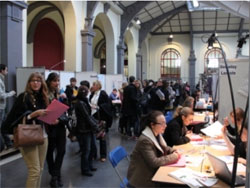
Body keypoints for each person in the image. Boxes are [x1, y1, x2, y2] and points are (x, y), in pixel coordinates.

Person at [2, 72, 49, 187]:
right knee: (34, 171)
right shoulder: (23, 97)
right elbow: (12, 120)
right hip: (28, 135)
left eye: (38, 80)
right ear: (29, 83)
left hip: (43, 136)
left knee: (40, 169)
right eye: (33, 80)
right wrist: (31, 115)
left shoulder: (44, 97)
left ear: (42, 83)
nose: (36, 83)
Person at [127, 111, 179, 187]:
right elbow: (154, 162)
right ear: (152, 125)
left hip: (150, 172)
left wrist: (171, 150)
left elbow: (162, 147)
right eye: (162, 123)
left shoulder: (156, 134)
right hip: (142, 180)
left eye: (165, 123)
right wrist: (174, 156)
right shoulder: (145, 140)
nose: (165, 126)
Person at [46, 72, 68, 188]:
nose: (57, 83)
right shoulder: (45, 94)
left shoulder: (58, 93)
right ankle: (55, 176)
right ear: (49, 81)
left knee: (61, 151)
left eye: (58, 80)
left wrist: (63, 99)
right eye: (54, 80)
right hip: (49, 127)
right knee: (49, 153)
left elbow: (63, 110)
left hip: (60, 125)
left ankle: (55, 175)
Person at [75, 85, 98, 176]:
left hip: (88, 128)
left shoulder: (84, 101)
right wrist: (95, 125)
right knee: (87, 150)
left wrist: (95, 123)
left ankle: (89, 165)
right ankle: (85, 169)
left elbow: (88, 115)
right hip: (84, 129)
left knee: (92, 148)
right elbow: (86, 116)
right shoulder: (81, 103)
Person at [89, 80, 113, 162]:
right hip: (93, 117)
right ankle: (93, 154)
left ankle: (103, 155)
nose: (93, 86)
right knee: (93, 137)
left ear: (99, 86)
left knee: (102, 137)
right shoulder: (92, 94)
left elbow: (107, 105)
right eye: (93, 84)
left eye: (94, 85)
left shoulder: (102, 93)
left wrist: (98, 107)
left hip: (101, 118)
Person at [0, 64, 16, 150]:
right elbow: (1, 95)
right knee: (2, 127)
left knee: (4, 127)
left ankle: (8, 144)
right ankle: (2, 146)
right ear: (2, 70)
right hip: (0, 108)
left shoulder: (1, 79)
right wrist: (11, 93)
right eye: (6, 70)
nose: (7, 72)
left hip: (2, 108)